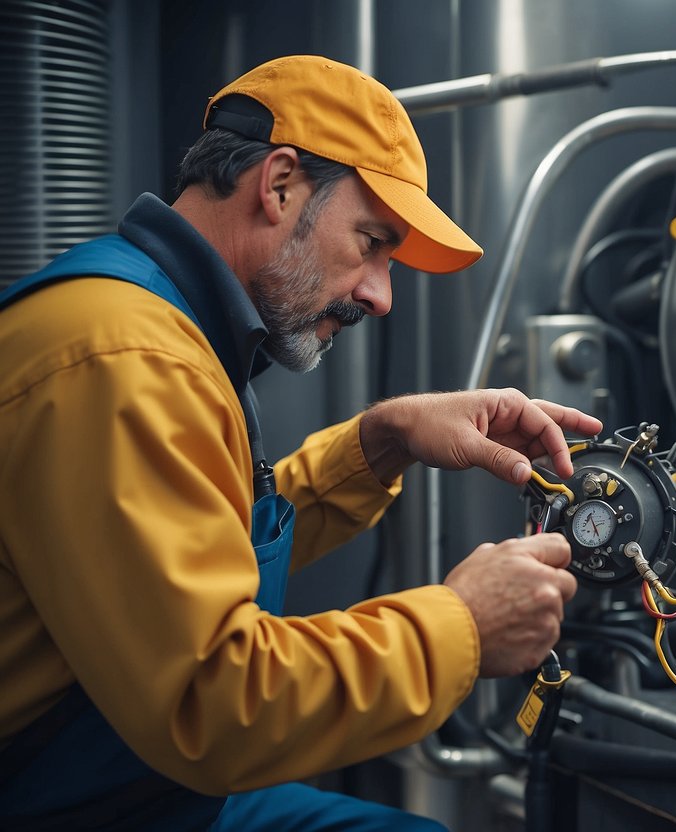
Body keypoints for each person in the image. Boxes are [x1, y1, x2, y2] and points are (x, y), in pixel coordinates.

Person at [0, 54, 601, 830]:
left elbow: (197, 553)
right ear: (278, 185)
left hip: (131, 774)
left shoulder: (154, 324)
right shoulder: (126, 361)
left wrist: (380, 442)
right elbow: (216, 705)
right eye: (372, 241)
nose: (381, 295)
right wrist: (462, 624)